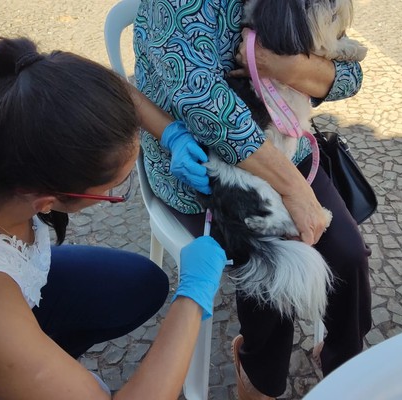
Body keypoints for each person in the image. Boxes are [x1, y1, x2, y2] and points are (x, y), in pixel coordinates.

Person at [0, 36, 227, 400]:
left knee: (138, 284)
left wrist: (171, 134)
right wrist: (194, 294)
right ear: (47, 201)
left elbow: (100, 98)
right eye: (117, 187)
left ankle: (46, 366)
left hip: (8, 294)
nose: (117, 194)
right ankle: (35, 376)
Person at [133, 2, 373, 399]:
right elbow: (201, 100)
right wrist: (293, 189)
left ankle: (344, 363)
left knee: (348, 253)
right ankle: (259, 379)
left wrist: (287, 68)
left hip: (286, 148)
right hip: (199, 159)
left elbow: (351, 74)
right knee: (270, 272)